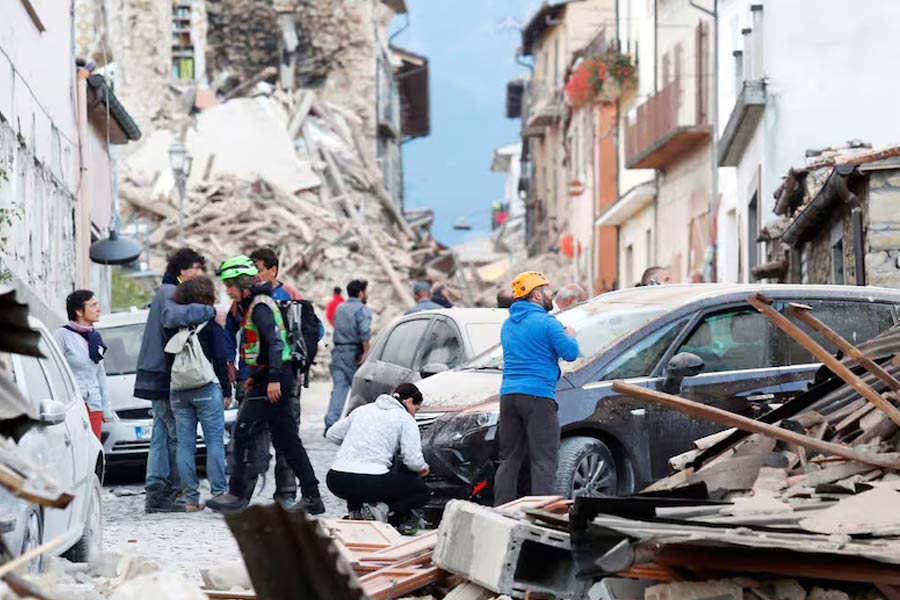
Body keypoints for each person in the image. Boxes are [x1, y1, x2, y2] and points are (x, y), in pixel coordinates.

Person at [207, 256, 325, 514]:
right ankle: (313, 496)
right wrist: (257, 375)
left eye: (230, 285)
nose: (227, 291)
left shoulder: (260, 306)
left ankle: (237, 494)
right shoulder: (254, 304)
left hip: (275, 380)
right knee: (287, 442)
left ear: (243, 285)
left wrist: (271, 379)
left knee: (242, 432)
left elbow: (275, 343)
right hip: (269, 377)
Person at [135, 248, 216, 513]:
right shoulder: (169, 292)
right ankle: (164, 492)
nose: (198, 273)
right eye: (195, 267)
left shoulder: (166, 291)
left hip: (155, 372)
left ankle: (157, 491)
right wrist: (208, 310)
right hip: (162, 374)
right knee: (170, 435)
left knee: (161, 431)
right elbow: (172, 317)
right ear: (182, 270)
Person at [494, 271, 579, 505]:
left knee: (508, 459)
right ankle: (543, 512)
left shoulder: (508, 325)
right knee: (543, 459)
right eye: (548, 290)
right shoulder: (547, 322)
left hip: (508, 396)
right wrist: (570, 335)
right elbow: (570, 353)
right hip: (537, 396)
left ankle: (501, 510)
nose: (551, 294)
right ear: (537, 295)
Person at [326, 383, 430, 535]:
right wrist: (423, 468)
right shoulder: (405, 418)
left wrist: (357, 443)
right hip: (371, 481)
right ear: (409, 401)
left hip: (336, 479)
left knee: (358, 477)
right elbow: (412, 460)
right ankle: (386, 511)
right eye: (416, 409)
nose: (415, 414)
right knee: (422, 491)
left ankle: (356, 512)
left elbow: (332, 434)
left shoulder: (363, 410)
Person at [249, 247, 308, 505]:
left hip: (286, 379)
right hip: (255, 380)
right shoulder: (247, 298)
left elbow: (311, 331)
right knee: (251, 436)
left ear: (273, 270)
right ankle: (244, 491)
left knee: (286, 435)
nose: (255, 275)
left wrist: (300, 367)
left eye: (258, 269)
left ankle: (286, 492)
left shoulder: (291, 295)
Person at [169, 276, 232, 512]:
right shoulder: (212, 326)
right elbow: (220, 358)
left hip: (179, 390)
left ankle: (191, 499)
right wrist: (227, 390)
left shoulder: (174, 325)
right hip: (207, 387)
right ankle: (218, 493)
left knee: (184, 444)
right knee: (214, 441)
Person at [55, 290, 111, 439]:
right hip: (72, 404)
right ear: (79, 311)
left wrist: (106, 407)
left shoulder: (95, 337)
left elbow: (100, 374)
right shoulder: (62, 335)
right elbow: (54, 369)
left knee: (94, 452)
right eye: (93, 305)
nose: (98, 309)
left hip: (94, 404)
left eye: (97, 304)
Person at [325, 279, 372, 430]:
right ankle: (356, 425)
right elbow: (364, 331)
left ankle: (330, 424)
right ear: (360, 293)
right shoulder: (362, 309)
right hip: (354, 353)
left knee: (339, 388)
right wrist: (366, 352)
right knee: (359, 390)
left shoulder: (340, 307)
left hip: (338, 351)